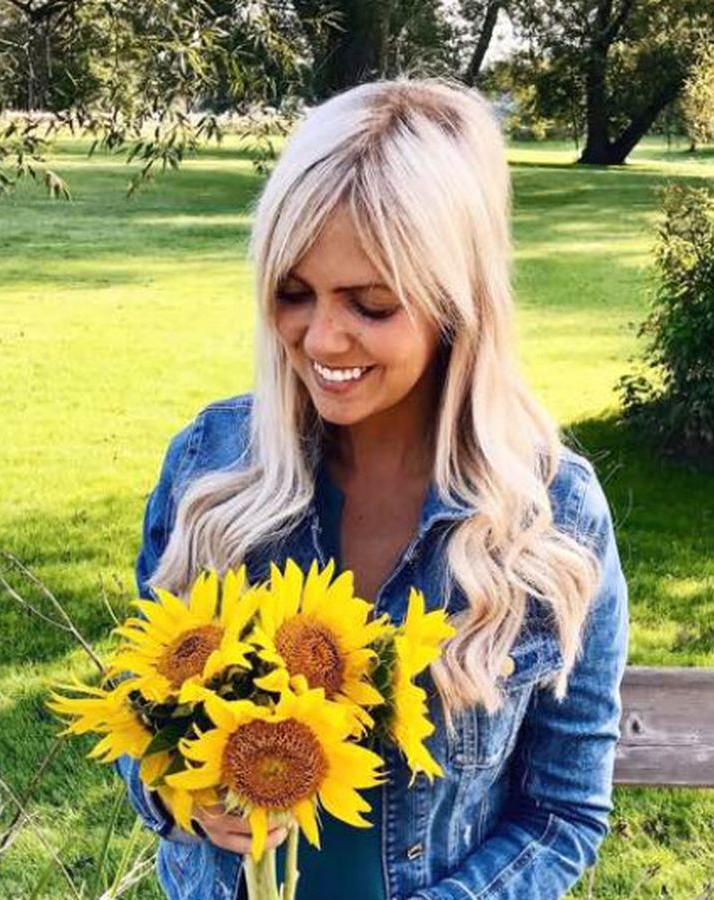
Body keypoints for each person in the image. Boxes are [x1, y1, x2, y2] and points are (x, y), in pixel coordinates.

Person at [114, 76, 629, 900]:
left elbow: (564, 813)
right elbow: (140, 721)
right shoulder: (212, 469)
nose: (322, 339)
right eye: (294, 294)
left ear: (456, 304)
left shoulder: (551, 517)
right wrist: (185, 798)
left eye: (372, 305)